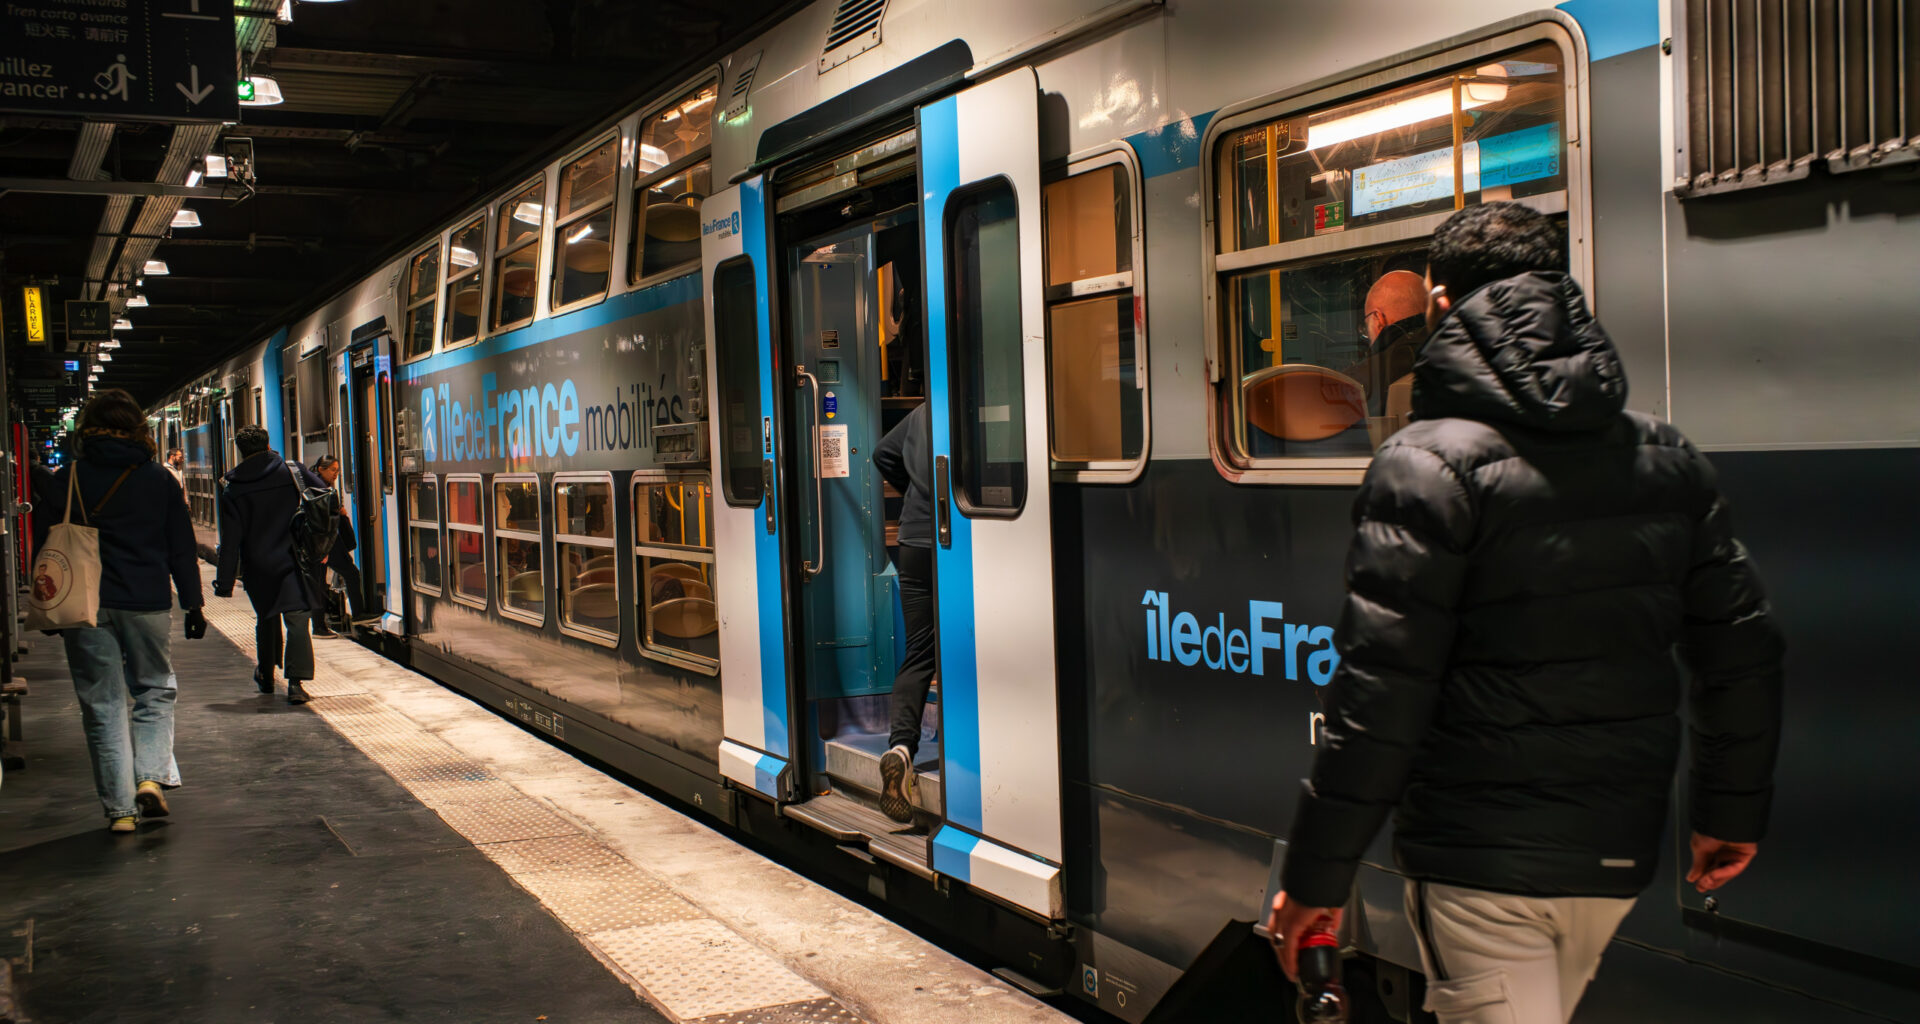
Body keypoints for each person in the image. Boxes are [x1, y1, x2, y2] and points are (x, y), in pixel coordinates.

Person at [1266, 203, 1785, 1024]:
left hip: (1481, 860)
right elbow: (1742, 653)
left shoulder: (1424, 463)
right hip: (1614, 855)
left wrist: (1317, 882)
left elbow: (1380, 697)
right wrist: (1729, 814)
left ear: (1441, 304)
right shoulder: (1666, 455)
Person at [32, 390, 206, 833]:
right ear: (138, 429)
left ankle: (120, 812)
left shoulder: (67, 477)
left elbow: (46, 547)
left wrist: (48, 601)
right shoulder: (159, 480)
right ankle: (149, 776)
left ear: (87, 428)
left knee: (102, 705)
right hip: (146, 600)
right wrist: (193, 603)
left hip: (85, 604)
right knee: (154, 690)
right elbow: (181, 549)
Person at [213, 426, 326, 703]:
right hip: (292, 559)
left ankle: (265, 674)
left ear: (241, 451)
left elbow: (231, 540)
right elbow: (323, 492)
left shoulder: (233, 487)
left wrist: (225, 582)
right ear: (267, 446)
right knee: (297, 619)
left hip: (257, 565)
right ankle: (296, 684)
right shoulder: (290, 471)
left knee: (266, 617)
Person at [872, 402, 934, 824]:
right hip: (953, 541)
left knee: (919, 653)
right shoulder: (976, 406)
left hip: (912, 542)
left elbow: (882, 454)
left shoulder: (921, 414)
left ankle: (900, 749)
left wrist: (913, 487)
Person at [307, 455, 361, 636]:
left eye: (337, 471)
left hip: (323, 542)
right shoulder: (319, 489)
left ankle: (319, 626)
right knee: (351, 574)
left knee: (319, 584)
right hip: (325, 542)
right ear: (321, 469)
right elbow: (319, 520)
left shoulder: (316, 485)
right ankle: (359, 615)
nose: (336, 474)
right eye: (332, 470)